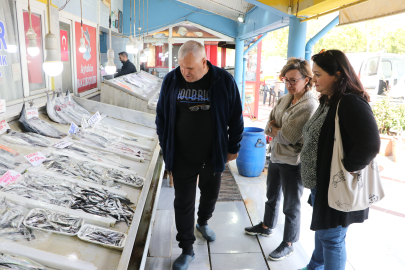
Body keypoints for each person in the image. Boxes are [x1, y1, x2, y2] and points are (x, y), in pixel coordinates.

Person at [155, 40, 244, 270]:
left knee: (211, 194)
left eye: (191, 68)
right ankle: (186, 248)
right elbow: (161, 117)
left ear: (204, 62)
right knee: (183, 202)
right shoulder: (171, 79)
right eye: (182, 67)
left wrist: (233, 147)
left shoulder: (223, 80)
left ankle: (203, 221)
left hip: (212, 154)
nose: (185, 73)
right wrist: (166, 149)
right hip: (182, 155)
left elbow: (236, 116)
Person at [300, 49, 380, 270]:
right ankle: (314, 266)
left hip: (334, 187)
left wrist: (345, 170)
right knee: (324, 232)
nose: (313, 80)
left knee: (332, 239)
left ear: (337, 75)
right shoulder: (329, 100)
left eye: (318, 75)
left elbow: (370, 144)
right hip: (321, 187)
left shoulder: (350, 102)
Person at [245, 58, 318, 261]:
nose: (289, 84)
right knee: (271, 195)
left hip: (294, 161)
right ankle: (267, 226)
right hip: (277, 154)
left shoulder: (309, 104)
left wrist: (275, 129)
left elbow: (287, 136)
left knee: (291, 205)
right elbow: (269, 123)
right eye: (286, 80)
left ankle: (288, 243)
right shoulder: (286, 98)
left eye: (294, 80)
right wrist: (275, 129)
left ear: (307, 79)